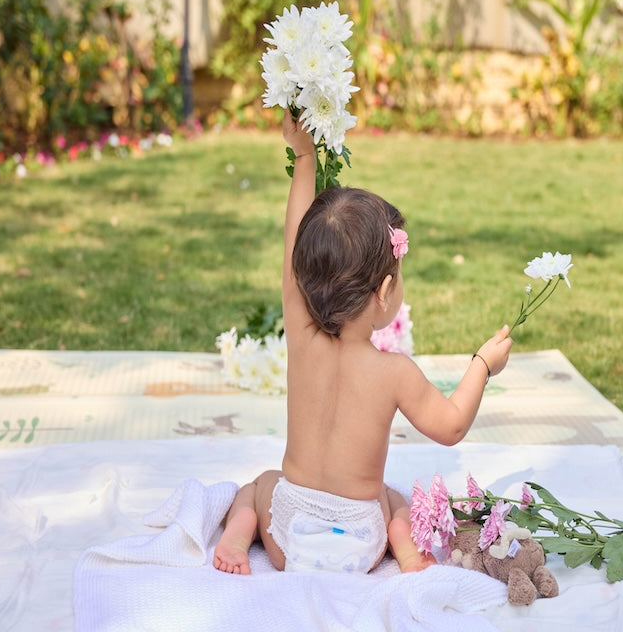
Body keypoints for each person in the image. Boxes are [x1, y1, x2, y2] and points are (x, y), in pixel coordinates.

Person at [213, 109, 513, 575]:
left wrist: (304, 156)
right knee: (391, 497)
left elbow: (293, 248)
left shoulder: (302, 334)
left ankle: (237, 537)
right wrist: (483, 364)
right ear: (385, 293)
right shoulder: (393, 373)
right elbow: (452, 426)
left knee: (258, 485)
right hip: (360, 539)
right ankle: (403, 546)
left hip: (289, 538)